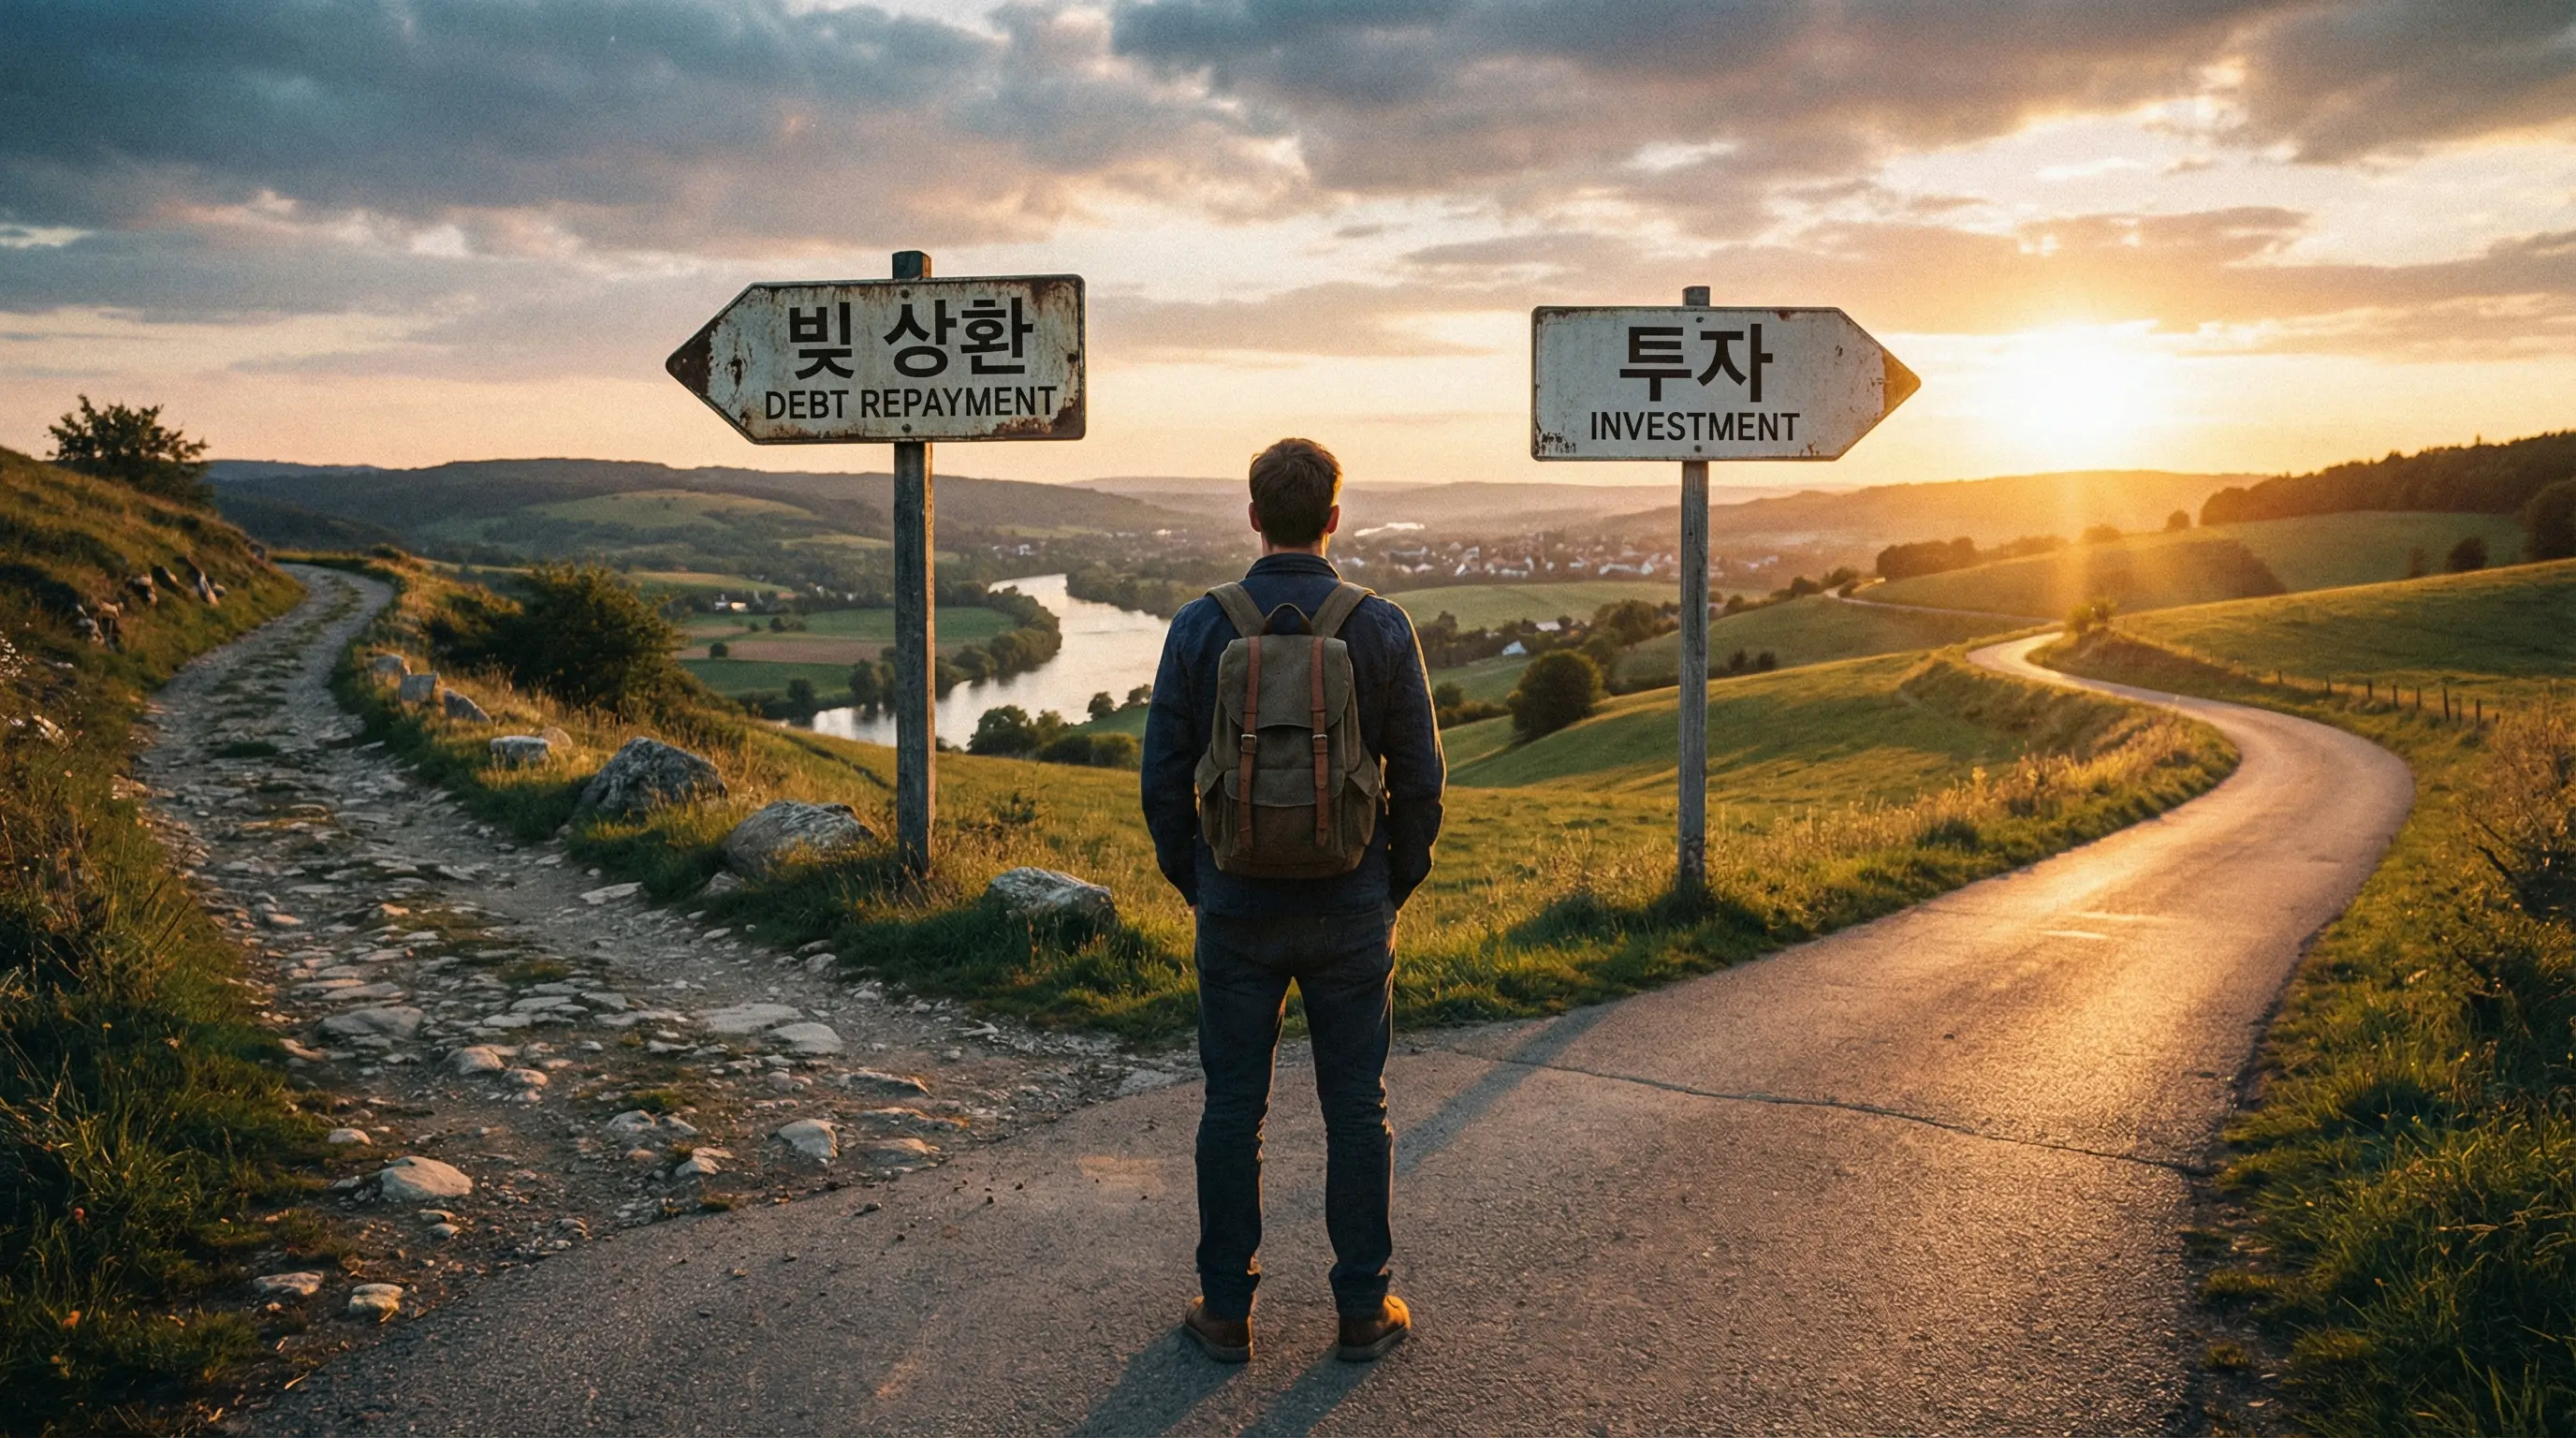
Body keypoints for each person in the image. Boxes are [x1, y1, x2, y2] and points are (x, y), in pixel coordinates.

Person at [1141, 436, 1444, 1364]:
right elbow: (1422, 778)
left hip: (1235, 905)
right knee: (1356, 1105)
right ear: (1333, 519)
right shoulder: (1380, 625)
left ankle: (1226, 1311)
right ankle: (1362, 1310)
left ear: (1252, 517)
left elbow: (1161, 782)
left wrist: (1202, 883)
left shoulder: (1200, 626)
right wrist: (1389, 883)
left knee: (1233, 1106)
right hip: (1351, 904)